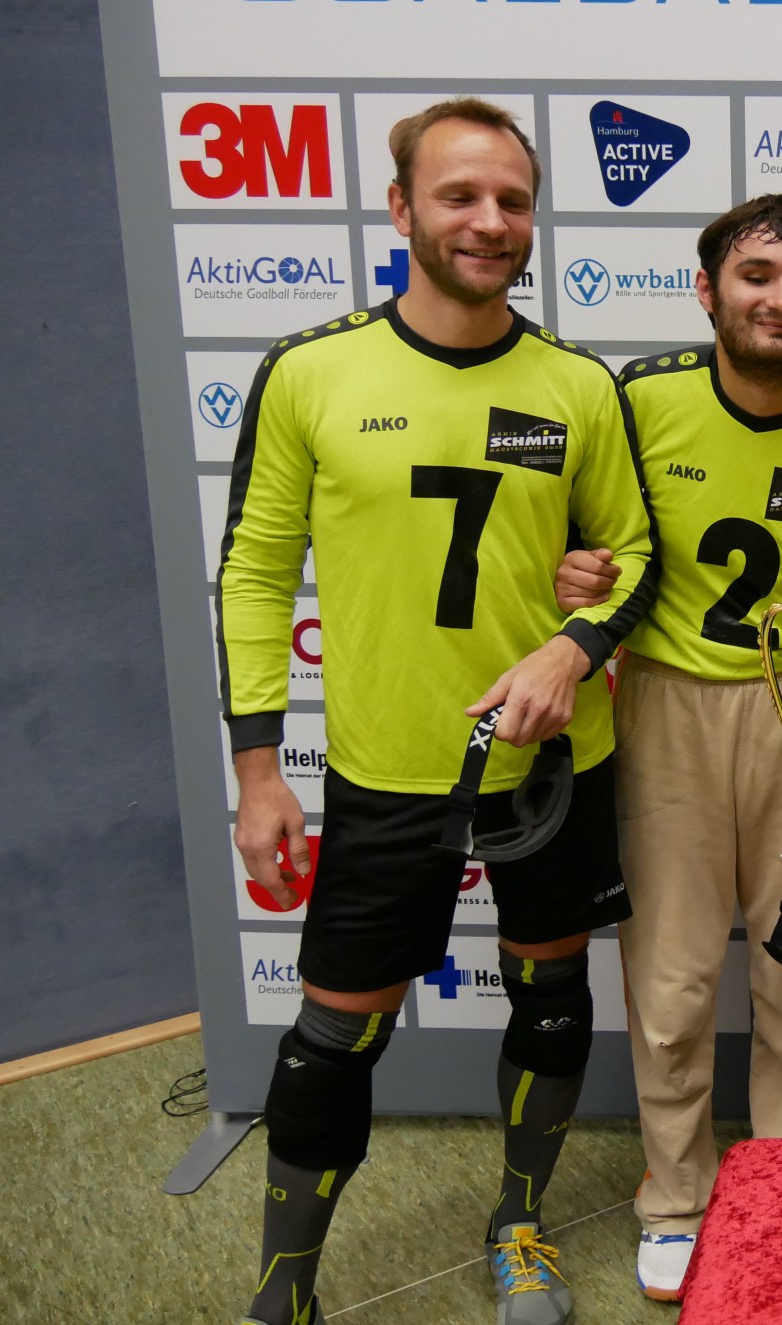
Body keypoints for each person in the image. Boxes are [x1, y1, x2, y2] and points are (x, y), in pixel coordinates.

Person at [221, 98, 655, 1325]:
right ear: (401, 205)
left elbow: (632, 554)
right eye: (460, 195)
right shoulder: (311, 371)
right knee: (330, 1038)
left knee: (552, 994)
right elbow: (253, 575)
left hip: (553, 767)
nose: (490, 220)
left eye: (512, 199)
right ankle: (282, 1290)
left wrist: (574, 644)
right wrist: (260, 772)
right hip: (388, 767)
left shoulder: (576, 383)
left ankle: (519, 1222)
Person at [556, 194, 782, 1303]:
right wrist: (577, 572)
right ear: (707, 288)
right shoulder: (640, 396)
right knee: (668, 977)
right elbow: (581, 533)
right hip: (664, 704)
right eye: (757, 275)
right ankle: (673, 1194)